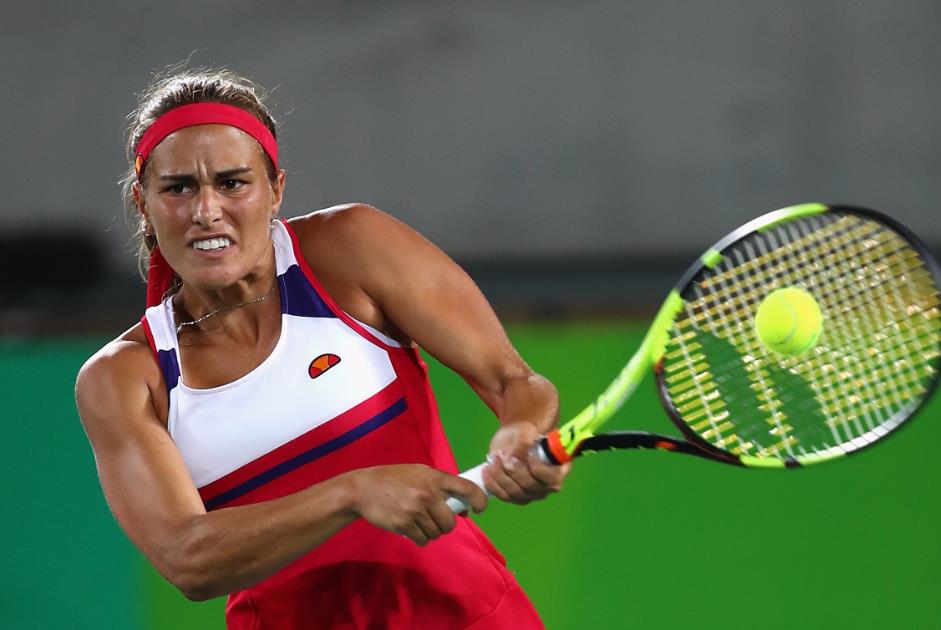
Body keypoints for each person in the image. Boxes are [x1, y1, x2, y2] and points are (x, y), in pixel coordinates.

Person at [75, 68, 570, 629]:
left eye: (233, 182)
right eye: (178, 187)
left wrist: (520, 435)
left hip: (471, 614)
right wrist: (353, 494)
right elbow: (189, 559)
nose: (206, 210)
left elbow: (515, 383)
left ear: (276, 189)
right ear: (143, 202)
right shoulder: (124, 377)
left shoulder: (352, 249)